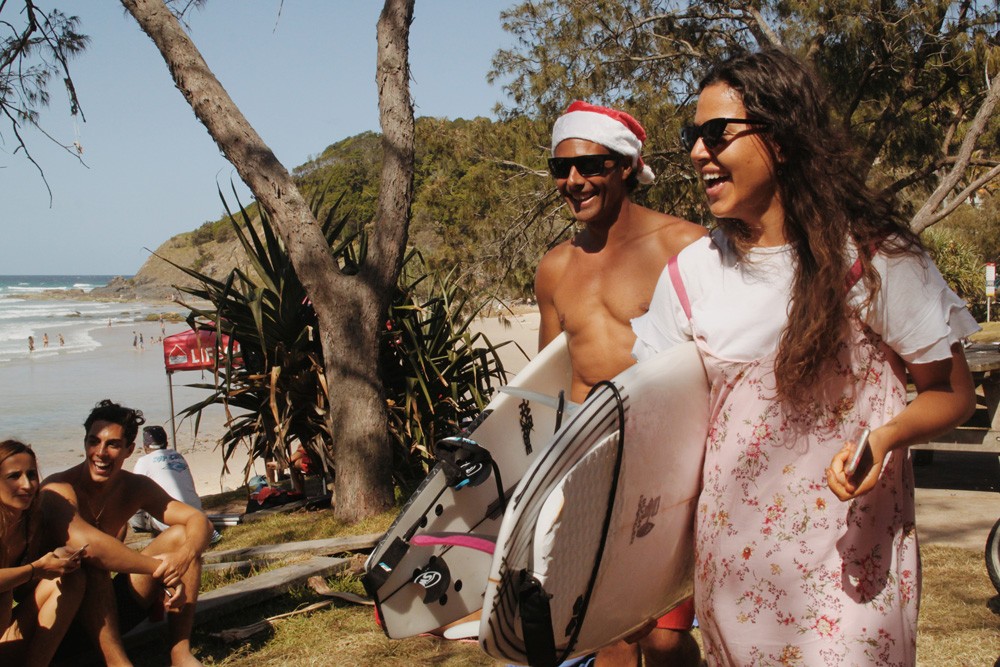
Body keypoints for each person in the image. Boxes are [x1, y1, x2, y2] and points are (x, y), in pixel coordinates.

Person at [631, 48, 977, 664]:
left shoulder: (871, 258)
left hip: (851, 570)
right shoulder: (689, 276)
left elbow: (952, 392)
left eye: (717, 133)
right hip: (736, 576)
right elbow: (652, 428)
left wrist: (887, 435)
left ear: (782, 139)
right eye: (693, 134)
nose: (697, 152)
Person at [536, 100, 706, 666]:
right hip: (591, 470)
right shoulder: (555, 268)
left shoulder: (686, 247)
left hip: (671, 464)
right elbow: (551, 382)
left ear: (627, 166)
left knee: (662, 637)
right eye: (562, 170)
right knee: (604, 631)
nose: (574, 181)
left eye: (590, 166)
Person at [40, 400, 214, 667]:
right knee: (90, 563)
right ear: (85, 442)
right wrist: (163, 569)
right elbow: (91, 547)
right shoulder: (58, 489)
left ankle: (180, 652)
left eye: (113, 444)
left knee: (181, 536)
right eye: (93, 441)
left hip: (108, 613)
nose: (100, 452)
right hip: (56, 620)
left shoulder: (135, 487)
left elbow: (198, 520)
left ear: (129, 449)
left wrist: (184, 556)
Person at [0, 440, 86, 666]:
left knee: (69, 579)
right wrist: (37, 568)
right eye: (13, 476)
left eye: (31, 475)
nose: (27, 485)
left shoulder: (30, 522)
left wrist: (53, 561)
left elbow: (22, 592)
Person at [129, 426, 220, 544]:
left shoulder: (143, 461)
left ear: (145, 447)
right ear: (166, 443)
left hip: (170, 519)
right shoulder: (179, 456)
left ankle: (154, 532)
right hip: (197, 514)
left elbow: (132, 492)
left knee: (134, 501)